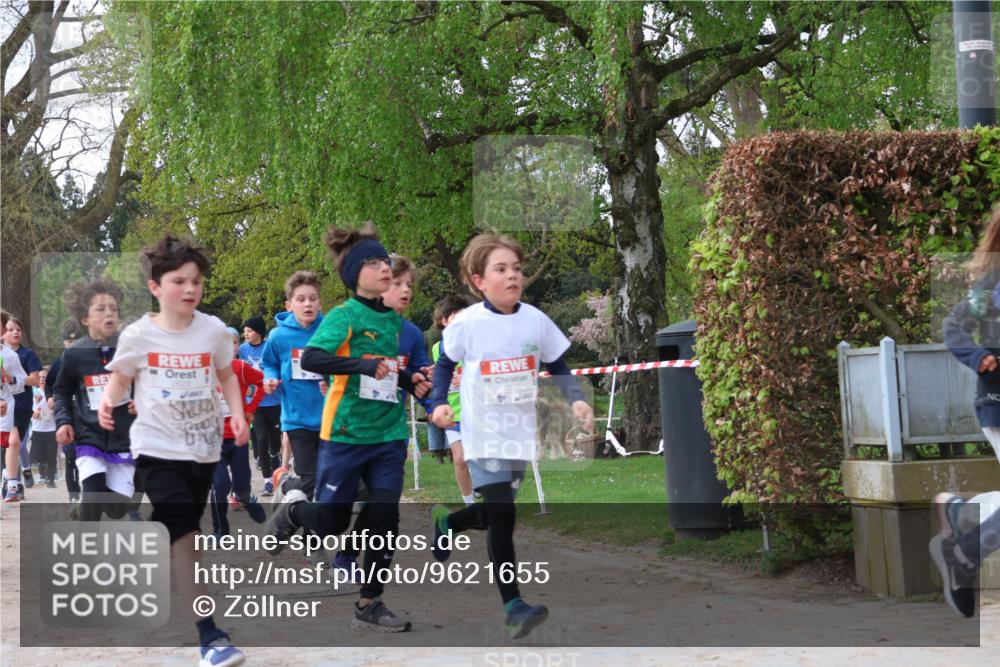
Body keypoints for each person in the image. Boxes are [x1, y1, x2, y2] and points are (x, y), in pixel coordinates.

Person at [265, 223, 430, 632]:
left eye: (385, 259)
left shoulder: (393, 322)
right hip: (345, 432)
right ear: (355, 274)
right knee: (334, 521)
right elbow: (315, 358)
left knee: (385, 515)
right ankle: (294, 513)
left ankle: (369, 601)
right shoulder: (343, 315)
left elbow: (386, 371)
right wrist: (360, 366)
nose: (384, 267)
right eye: (373, 262)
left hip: (388, 433)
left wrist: (412, 381)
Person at [429, 233, 594, 639]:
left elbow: (558, 364)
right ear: (479, 280)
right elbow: (443, 364)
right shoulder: (467, 323)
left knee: (496, 514)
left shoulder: (535, 320)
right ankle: (513, 605)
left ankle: (449, 521)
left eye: (517, 269)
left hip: (519, 433)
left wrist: (576, 400)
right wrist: (438, 403)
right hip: (481, 432)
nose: (512, 276)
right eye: (501, 269)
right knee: (503, 516)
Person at [98, 234, 249, 667]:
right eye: (179, 281)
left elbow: (227, 377)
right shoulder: (138, 335)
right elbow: (121, 377)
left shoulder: (214, 331)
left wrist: (236, 414)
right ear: (155, 287)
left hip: (202, 450)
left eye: (196, 282)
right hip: (155, 448)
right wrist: (109, 400)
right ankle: (211, 635)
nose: (190, 289)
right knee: (187, 534)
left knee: (181, 527)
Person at [936, 206, 1000, 619]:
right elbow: (952, 326)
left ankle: (965, 516)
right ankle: (964, 551)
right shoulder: (990, 288)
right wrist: (978, 357)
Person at [53, 278, 138, 522]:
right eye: (101, 309)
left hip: (124, 435)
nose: (109, 313)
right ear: (85, 319)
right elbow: (61, 391)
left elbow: (149, 380)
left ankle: (88, 505)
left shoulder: (130, 347)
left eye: (113, 308)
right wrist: (63, 422)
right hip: (88, 433)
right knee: (92, 492)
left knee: (118, 507)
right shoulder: (75, 354)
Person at [261, 271, 326, 501]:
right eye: (301, 299)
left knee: (328, 481)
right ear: (289, 305)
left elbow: (344, 363)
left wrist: (333, 381)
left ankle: (288, 485)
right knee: (311, 482)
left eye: (313, 298)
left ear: (320, 302)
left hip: (331, 416)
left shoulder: (331, 330)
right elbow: (269, 363)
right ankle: (287, 485)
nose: (307, 303)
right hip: (297, 418)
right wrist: (270, 379)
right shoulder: (278, 336)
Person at [208, 326, 266, 539]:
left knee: (241, 486)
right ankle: (220, 532)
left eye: (230, 343)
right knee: (220, 485)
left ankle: (246, 498)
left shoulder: (240, 367)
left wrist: (250, 410)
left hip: (237, 436)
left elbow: (260, 383)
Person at [430, 294, 476, 504]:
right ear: (444, 320)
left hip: (477, 409)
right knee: (459, 459)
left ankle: (483, 487)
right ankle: (469, 502)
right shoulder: (437, 349)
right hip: (453, 411)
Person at [239, 314, 282, 494]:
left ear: (259, 332)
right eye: (245, 331)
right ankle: (267, 480)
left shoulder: (269, 346)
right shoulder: (242, 349)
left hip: (274, 401)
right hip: (255, 403)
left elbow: (279, 368)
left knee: (274, 442)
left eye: (249, 330)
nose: (246, 334)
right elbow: (240, 371)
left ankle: (275, 457)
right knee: (261, 439)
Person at [3, 314, 42, 496]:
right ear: (4, 332)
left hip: (20, 403)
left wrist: (13, 379)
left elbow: (35, 380)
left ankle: (13, 481)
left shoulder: (25, 355)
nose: (15, 332)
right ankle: (11, 478)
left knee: (14, 442)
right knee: (9, 443)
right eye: (11, 329)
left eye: (18, 329)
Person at [46, 319, 83, 506]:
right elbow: (49, 386)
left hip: (89, 419)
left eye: (77, 341)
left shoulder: (93, 360)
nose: (73, 346)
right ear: (63, 342)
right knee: (71, 457)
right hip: (67, 417)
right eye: (69, 342)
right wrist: (49, 398)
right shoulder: (59, 363)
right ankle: (74, 498)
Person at [1, 310, 28, 502]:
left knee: (9, 445)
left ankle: (10, 481)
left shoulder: (10, 357)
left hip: (5, 409)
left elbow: (21, 385)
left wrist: (10, 379)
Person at [31, 367, 58, 487]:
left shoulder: (53, 394)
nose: (42, 379)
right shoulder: (33, 392)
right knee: (39, 458)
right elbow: (29, 410)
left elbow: (53, 411)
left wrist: (41, 414)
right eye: (40, 377)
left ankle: (51, 480)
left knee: (52, 456)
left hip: (51, 430)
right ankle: (43, 475)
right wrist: (33, 413)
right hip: (37, 430)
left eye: (45, 377)